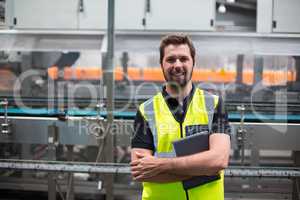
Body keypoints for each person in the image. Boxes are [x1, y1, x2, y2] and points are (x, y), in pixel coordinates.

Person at [130, 34, 231, 200]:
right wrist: (203, 169)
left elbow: (219, 160)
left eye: (183, 58)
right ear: (161, 64)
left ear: (193, 62)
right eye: (171, 59)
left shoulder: (214, 104)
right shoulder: (146, 110)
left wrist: (162, 165)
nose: (177, 65)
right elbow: (141, 173)